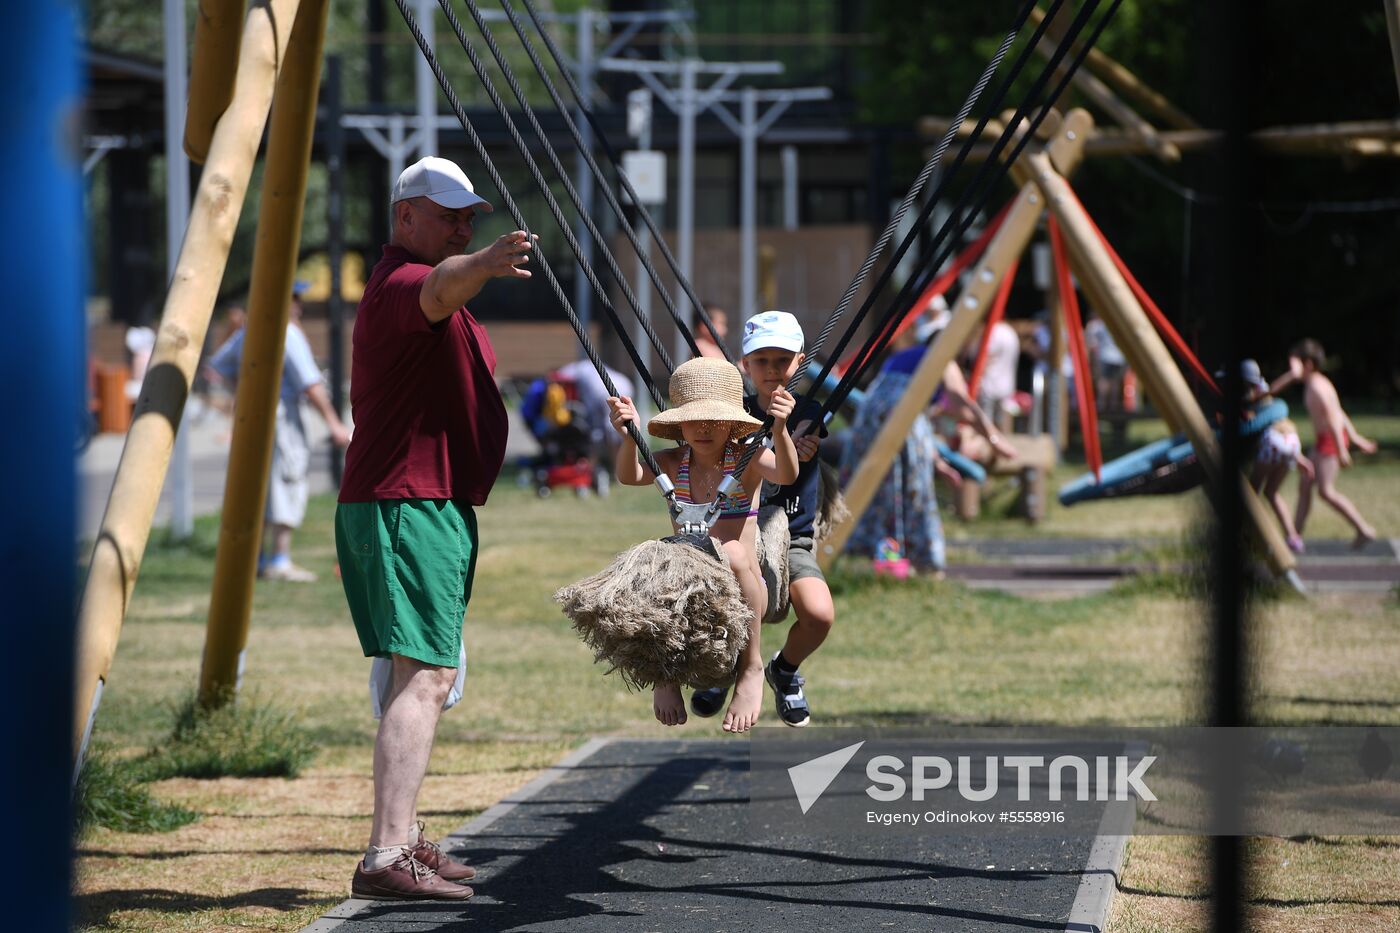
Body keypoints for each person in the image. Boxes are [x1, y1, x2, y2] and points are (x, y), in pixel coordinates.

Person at [335, 155, 535, 901]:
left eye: (468, 216)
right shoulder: (399, 286)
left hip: (424, 501)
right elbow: (443, 284)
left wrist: (471, 259)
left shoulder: (419, 285)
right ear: (404, 216)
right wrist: (480, 260)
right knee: (426, 675)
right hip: (405, 503)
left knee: (415, 676)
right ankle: (387, 853)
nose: (462, 224)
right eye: (449, 214)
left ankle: (403, 834)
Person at [607, 356, 798, 733]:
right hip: (688, 592)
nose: (704, 428)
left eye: (715, 420)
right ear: (680, 423)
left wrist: (781, 429)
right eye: (694, 419)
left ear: (732, 423)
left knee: (733, 551)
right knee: (653, 560)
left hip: (743, 590)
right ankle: (665, 676)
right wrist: (629, 438)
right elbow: (629, 476)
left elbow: (787, 474)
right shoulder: (673, 461)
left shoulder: (746, 459)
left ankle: (752, 666)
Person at [694, 310, 834, 728]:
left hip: (792, 535)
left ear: (800, 362)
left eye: (782, 361)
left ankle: (784, 670)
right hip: (736, 530)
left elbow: (803, 438)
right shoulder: (731, 414)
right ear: (745, 365)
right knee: (721, 596)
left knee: (819, 614)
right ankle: (724, 670)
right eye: (762, 361)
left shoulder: (806, 409)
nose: (772, 370)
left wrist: (788, 432)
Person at [840, 315, 1015, 574]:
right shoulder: (941, 356)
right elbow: (961, 400)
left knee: (878, 489)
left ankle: (875, 549)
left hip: (868, 422)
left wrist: (938, 463)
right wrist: (994, 437)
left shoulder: (903, 359)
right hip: (900, 416)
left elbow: (937, 418)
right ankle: (922, 556)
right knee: (913, 489)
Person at [207, 285, 351, 582]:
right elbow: (310, 383)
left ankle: (256, 559)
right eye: (294, 299)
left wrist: (243, 394)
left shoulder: (250, 330)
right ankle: (279, 560)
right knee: (287, 481)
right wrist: (334, 423)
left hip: (252, 419)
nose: (298, 306)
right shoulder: (288, 333)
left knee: (257, 488)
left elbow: (218, 366)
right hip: (283, 419)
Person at [1269, 339, 1378, 549]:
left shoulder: (1317, 387)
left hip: (1330, 442)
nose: (1291, 367)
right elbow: (1339, 412)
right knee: (1306, 484)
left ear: (1307, 364)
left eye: (1295, 363)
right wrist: (1355, 437)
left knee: (1326, 491)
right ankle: (1295, 536)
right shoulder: (1317, 383)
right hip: (1324, 441)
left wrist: (1342, 449)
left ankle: (1364, 530)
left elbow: (1335, 419)